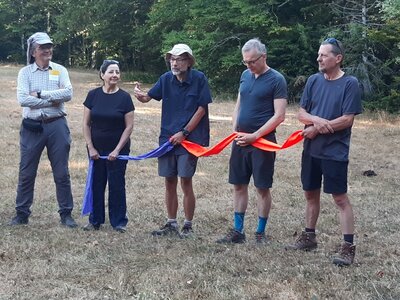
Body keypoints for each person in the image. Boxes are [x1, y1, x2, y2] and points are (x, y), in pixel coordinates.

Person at [286, 38, 362, 266]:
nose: (319, 58)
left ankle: (348, 247)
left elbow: (347, 120)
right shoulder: (313, 80)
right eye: (318, 54)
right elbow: (301, 113)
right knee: (310, 194)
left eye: (324, 55)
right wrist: (317, 122)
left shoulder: (350, 83)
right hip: (311, 150)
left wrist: (315, 128)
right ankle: (309, 236)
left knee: (339, 198)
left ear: (338, 58)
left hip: (334, 152)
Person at [133, 44, 212, 238]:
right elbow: (148, 98)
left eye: (179, 59)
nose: (174, 63)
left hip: (189, 139)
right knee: (169, 180)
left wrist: (184, 133)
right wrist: (140, 95)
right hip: (167, 139)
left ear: (189, 62)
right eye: (172, 59)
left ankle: (188, 225)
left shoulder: (199, 79)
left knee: (185, 180)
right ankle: (171, 223)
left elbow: (201, 110)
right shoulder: (166, 79)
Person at [216, 38, 287, 244]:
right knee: (239, 185)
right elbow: (239, 103)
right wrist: (234, 128)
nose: (248, 65)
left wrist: (255, 136)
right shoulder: (245, 75)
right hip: (240, 141)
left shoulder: (276, 80)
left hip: (262, 143)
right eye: (245, 62)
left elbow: (279, 116)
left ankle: (260, 232)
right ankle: (238, 231)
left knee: (262, 187)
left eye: (252, 61)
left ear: (263, 56)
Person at [9, 32, 77, 227]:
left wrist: (40, 94)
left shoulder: (60, 70)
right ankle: (22, 214)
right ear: (33, 52)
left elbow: (68, 93)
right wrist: (52, 100)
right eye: (42, 47)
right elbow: (23, 99)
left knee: (62, 172)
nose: (47, 50)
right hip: (32, 128)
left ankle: (66, 214)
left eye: (49, 46)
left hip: (57, 125)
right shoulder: (25, 73)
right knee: (27, 172)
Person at [82, 60, 134, 233]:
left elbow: (129, 127)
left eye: (117, 72)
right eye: (111, 72)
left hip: (118, 150)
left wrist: (117, 150)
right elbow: (86, 124)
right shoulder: (93, 95)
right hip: (96, 149)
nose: (115, 75)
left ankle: (119, 222)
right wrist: (91, 147)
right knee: (96, 183)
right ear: (102, 74)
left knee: (117, 184)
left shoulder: (125, 98)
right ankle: (95, 220)